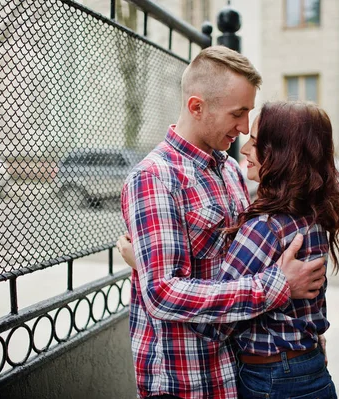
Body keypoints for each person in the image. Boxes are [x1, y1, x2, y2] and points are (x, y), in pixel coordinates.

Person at [120, 46, 326, 399]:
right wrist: (277, 286)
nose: (245, 127)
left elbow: (247, 261)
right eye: (238, 113)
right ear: (197, 107)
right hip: (186, 379)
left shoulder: (230, 169)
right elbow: (162, 294)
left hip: (240, 372)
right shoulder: (155, 178)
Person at [189, 101, 339, 399]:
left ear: (283, 154)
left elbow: (211, 324)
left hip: (273, 379)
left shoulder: (265, 227)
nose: (245, 149)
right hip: (309, 367)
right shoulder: (311, 216)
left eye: (256, 142)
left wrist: (143, 266)